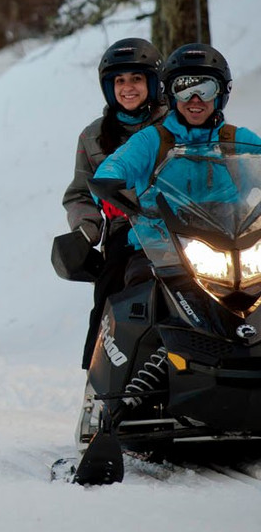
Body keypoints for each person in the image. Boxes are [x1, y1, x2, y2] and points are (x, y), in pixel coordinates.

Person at [91, 42, 261, 289]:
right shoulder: (153, 140)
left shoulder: (236, 140)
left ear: (221, 92)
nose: (195, 99)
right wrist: (110, 186)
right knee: (135, 292)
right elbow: (116, 165)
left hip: (236, 250)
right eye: (183, 89)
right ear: (170, 94)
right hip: (162, 252)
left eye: (205, 89)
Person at [62, 37, 166, 369]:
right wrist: (85, 231)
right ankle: (101, 378)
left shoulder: (174, 126)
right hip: (127, 233)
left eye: (136, 78)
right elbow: (79, 194)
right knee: (111, 287)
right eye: (119, 81)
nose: (128, 88)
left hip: (185, 230)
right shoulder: (92, 137)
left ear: (153, 82)